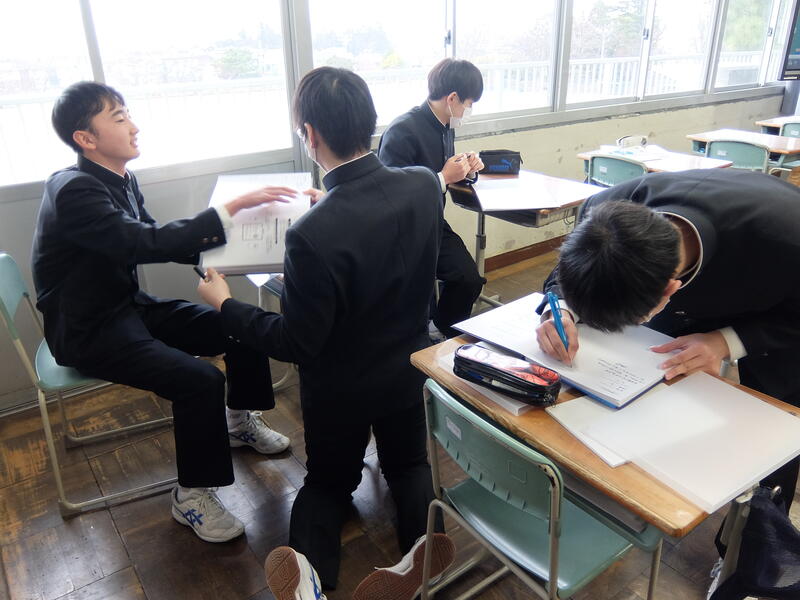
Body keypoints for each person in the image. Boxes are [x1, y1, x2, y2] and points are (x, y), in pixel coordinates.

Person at [197, 67, 451, 591]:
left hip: (341, 389)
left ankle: (308, 580)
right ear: (370, 121)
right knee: (409, 466)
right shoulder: (424, 185)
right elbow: (381, 231)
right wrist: (333, 204)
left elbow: (296, 341)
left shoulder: (311, 234)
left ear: (310, 135)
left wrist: (226, 305)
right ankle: (424, 549)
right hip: (408, 369)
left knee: (328, 484)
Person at [31, 81, 293, 543]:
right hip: (88, 329)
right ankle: (191, 495)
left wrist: (222, 259)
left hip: (125, 307)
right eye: (119, 118)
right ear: (85, 138)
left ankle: (237, 422)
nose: (134, 126)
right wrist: (227, 212)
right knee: (200, 380)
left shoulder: (120, 178)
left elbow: (150, 234)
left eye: (128, 113)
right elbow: (143, 242)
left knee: (236, 323)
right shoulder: (73, 191)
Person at [536, 168, 800, 511]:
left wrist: (724, 341)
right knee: (655, 392)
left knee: (772, 436)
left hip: (780, 305)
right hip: (710, 277)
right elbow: (562, 273)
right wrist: (561, 309)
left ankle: (760, 532)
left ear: (670, 291)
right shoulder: (601, 212)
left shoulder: (788, 241)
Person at [378, 58, 486, 339]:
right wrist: (443, 177)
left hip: (432, 222)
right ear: (452, 98)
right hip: (403, 231)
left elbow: (443, 172)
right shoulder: (402, 131)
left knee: (469, 279)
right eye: (469, 104)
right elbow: (390, 194)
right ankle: (426, 335)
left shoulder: (445, 125)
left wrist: (466, 168)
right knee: (422, 298)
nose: (469, 111)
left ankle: (441, 332)